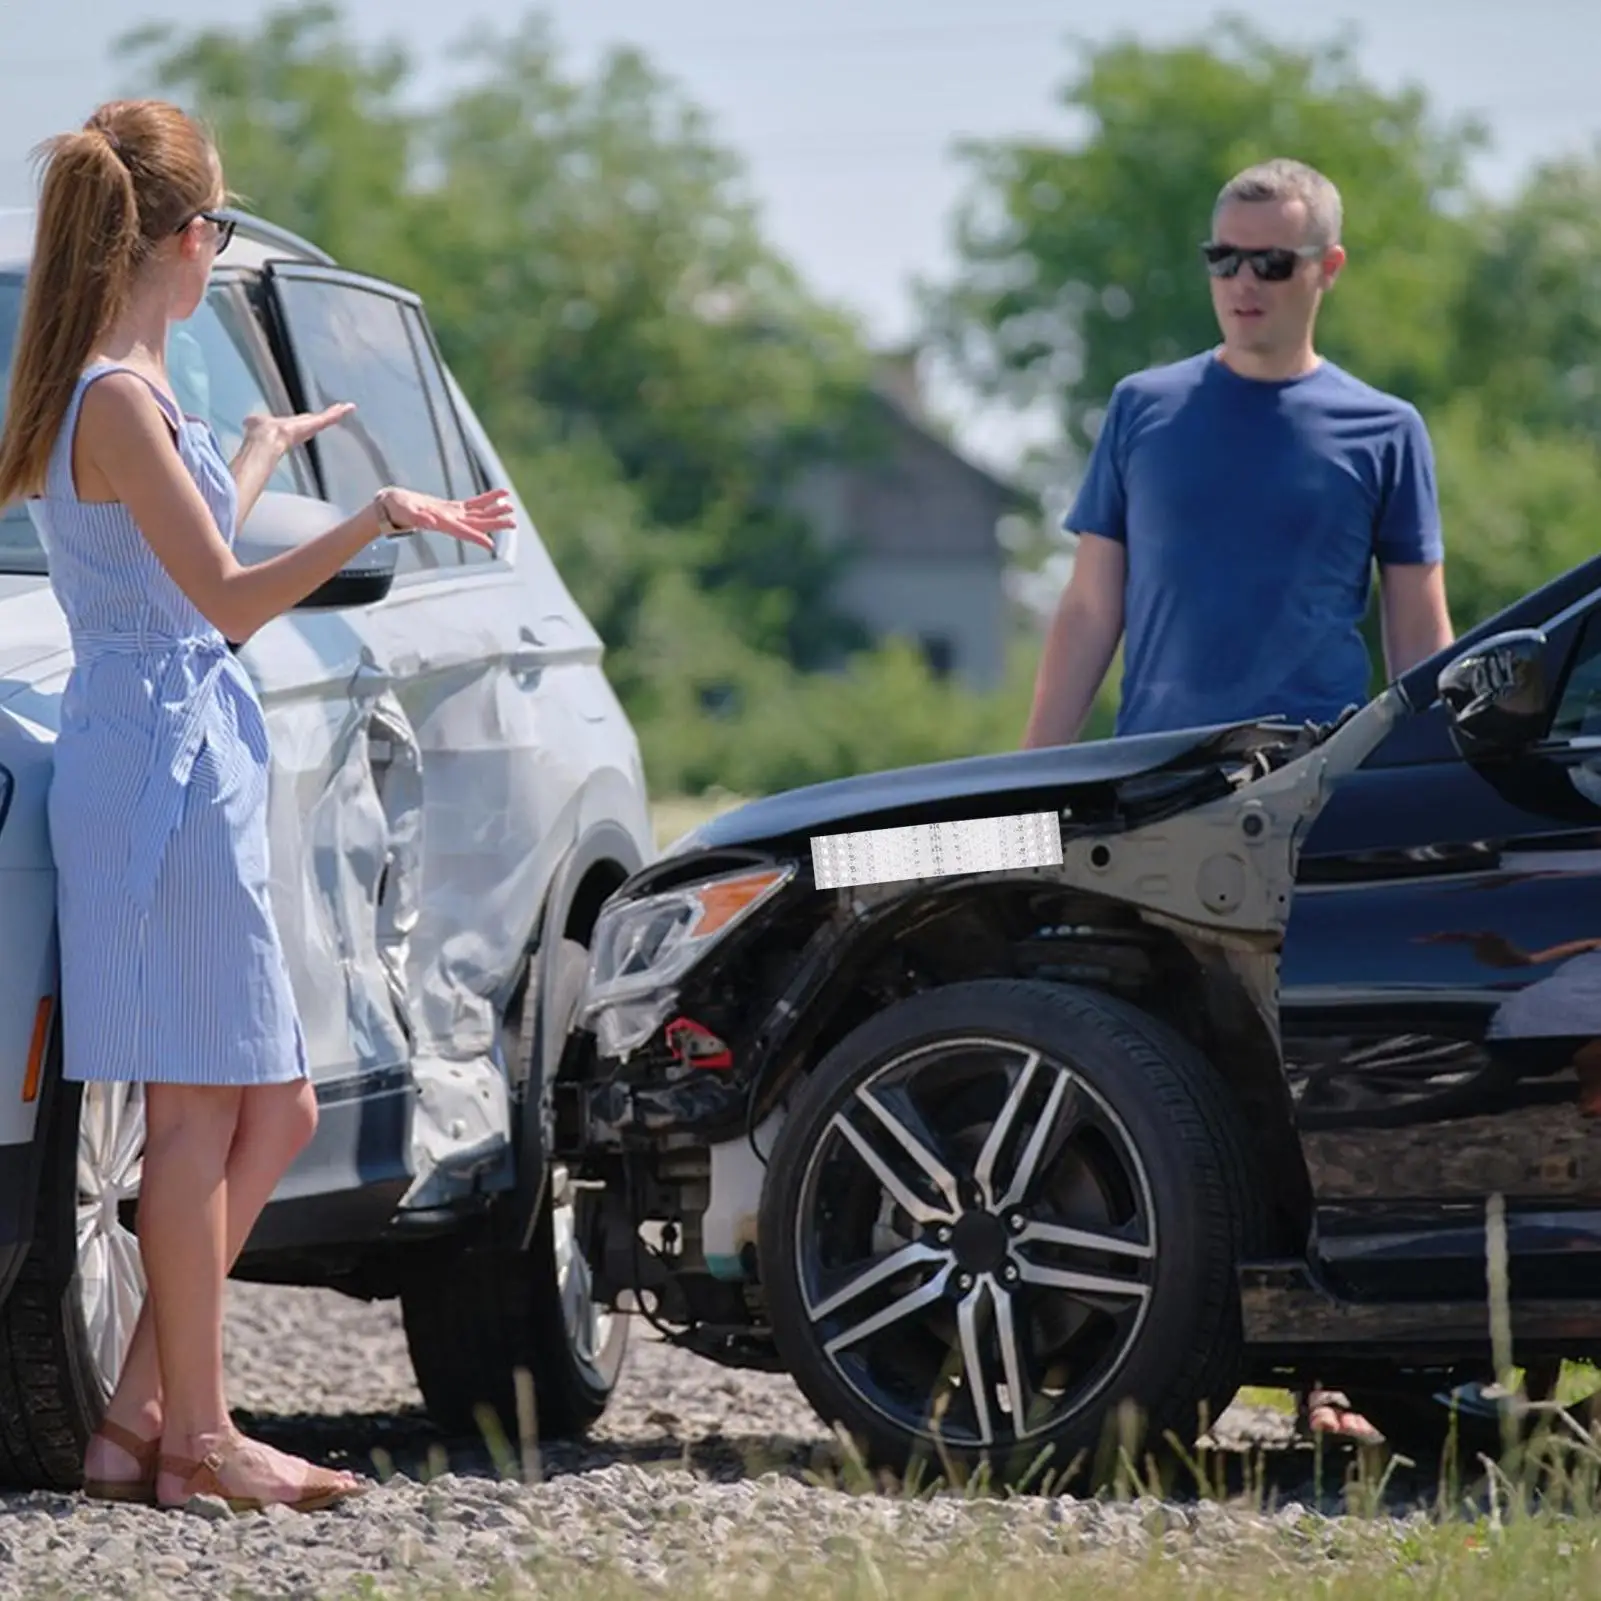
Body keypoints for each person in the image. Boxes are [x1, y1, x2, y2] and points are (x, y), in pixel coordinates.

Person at [0, 99, 515, 1511]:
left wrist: (264, 457)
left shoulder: (132, 393)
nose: (222, 247)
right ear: (178, 239)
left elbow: (181, 566)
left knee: (272, 1104)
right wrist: (371, 517)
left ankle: (136, 1418)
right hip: (155, 767)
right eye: (216, 225)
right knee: (195, 1116)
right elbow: (220, 602)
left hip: (183, 753)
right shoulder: (111, 393)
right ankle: (198, 1440)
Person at [1020, 157, 1457, 1445]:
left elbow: (1417, 628)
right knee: (1141, 1062)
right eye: (1224, 258)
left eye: (1271, 261)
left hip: (1312, 795)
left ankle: (1335, 1378)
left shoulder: (1386, 430)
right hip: (1148, 793)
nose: (1243, 284)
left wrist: (1430, 785)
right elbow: (1091, 604)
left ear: (1325, 270)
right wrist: (1030, 778)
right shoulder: (1143, 410)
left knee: (1301, 1071)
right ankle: (1121, 1354)